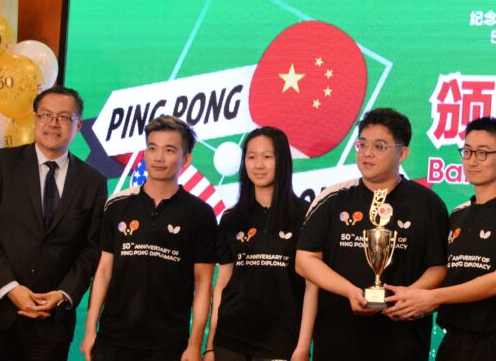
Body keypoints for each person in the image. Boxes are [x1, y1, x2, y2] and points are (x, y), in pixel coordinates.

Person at [0, 86, 107, 360]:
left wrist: (63, 294)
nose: (53, 123)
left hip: (50, 326)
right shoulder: (1, 163)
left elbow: (91, 248)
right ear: (35, 118)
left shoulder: (93, 181)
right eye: (46, 115)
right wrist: (10, 288)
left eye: (64, 117)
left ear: (78, 125)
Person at [295, 108, 449, 361]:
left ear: (403, 153)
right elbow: (305, 260)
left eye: (379, 146)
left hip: (403, 345)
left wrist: (409, 295)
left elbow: (439, 267)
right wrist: (349, 291)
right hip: (338, 343)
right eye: (362, 144)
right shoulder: (333, 200)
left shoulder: (428, 204)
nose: (367, 153)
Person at [384, 117, 496, 360]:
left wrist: (433, 297)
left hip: (495, 344)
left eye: (482, 153)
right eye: (467, 152)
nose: (472, 161)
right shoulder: (458, 215)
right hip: (452, 342)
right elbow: (449, 275)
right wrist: (411, 296)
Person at [80, 115, 217, 361]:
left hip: (169, 345)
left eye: (169, 150)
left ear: (186, 159)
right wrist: (90, 331)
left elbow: (203, 283)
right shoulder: (117, 205)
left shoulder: (201, 214)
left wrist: (195, 345)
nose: (158, 157)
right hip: (113, 340)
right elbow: (103, 271)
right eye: (152, 148)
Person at [204, 127, 315, 361]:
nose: (258, 165)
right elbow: (223, 283)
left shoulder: (305, 216)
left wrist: (303, 347)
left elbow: (311, 287)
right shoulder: (231, 218)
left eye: (267, 157)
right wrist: (211, 345)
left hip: (281, 342)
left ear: (282, 161)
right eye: (251, 157)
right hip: (230, 340)